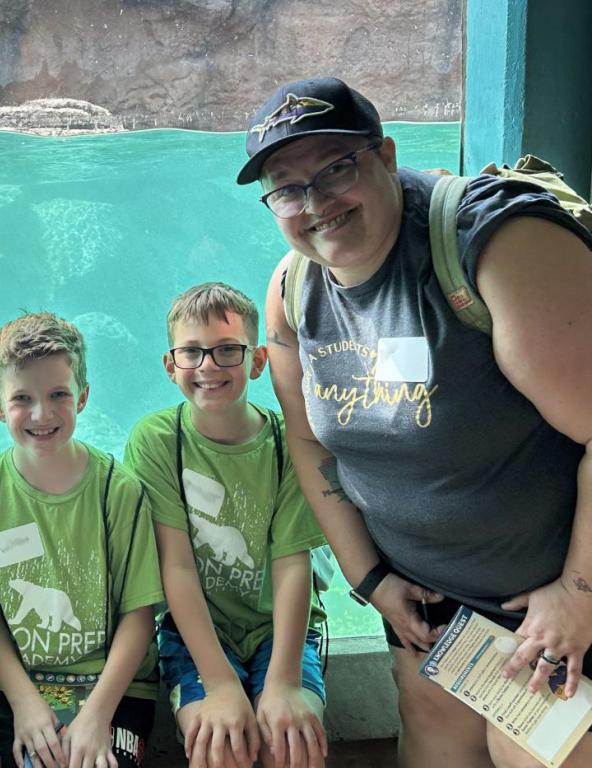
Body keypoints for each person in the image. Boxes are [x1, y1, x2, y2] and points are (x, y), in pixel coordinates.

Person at [240, 76, 592, 767]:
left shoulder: (495, 244)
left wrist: (579, 595)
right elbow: (311, 446)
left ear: (386, 154)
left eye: (336, 168)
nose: (315, 203)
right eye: (287, 187)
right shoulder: (293, 290)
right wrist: (370, 578)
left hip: (559, 618)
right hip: (440, 628)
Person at [124, 282, 329, 768]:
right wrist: (218, 684)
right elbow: (176, 567)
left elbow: (292, 565)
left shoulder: (288, 440)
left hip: (284, 632)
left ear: (257, 361)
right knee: (219, 747)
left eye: (227, 351)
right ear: (171, 365)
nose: (209, 366)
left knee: (291, 746)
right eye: (192, 352)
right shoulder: (157, 440)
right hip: (196, 634)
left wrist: (281, 685)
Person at [0, 312, 164, 768]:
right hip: (21, 689)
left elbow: (139, 616)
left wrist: (96, 714)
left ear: (83, 397)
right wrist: (26, 703)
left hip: (117, 688)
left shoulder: (118, 491)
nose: (41, 413)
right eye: (22, 398)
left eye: (58, 395)